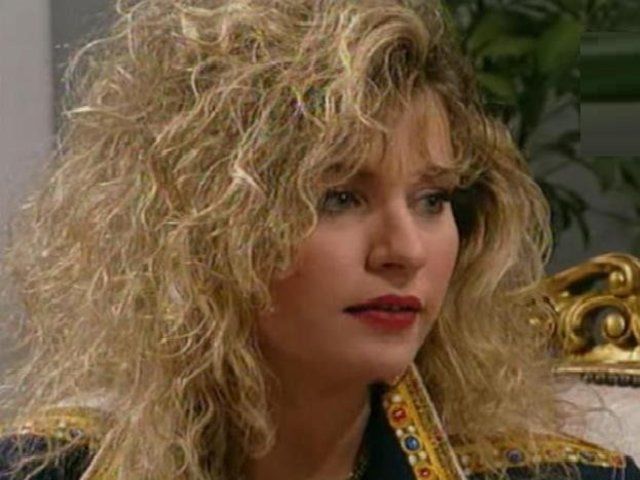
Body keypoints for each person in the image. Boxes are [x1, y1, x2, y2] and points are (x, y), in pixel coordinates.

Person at [0, 0, 638, 479]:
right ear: (205, 226)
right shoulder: (42, 469)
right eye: (339, 198)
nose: (405, 251)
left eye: (432, 200)